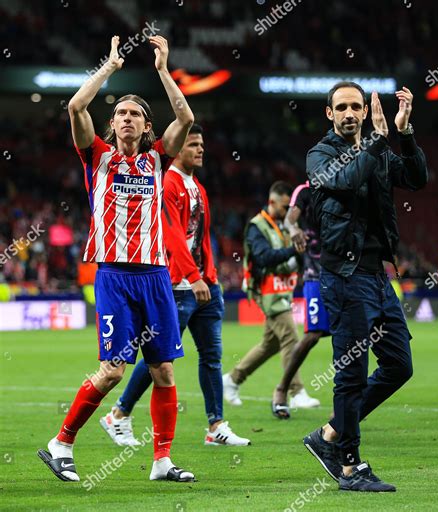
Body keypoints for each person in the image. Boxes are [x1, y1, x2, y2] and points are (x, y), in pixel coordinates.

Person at [37, 35, 196, 483]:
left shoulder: (157, 160)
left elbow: (186, 116)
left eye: (136, 115)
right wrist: (109, 66)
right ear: (113, 123)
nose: (127, 119)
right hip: (113, 277)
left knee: (163, 369)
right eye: (121, 113)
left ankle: (162, 461)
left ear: (148, 128)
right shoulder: (97, 157)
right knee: (112, 370)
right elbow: (74, 108)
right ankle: (61, 442)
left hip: (156, 276)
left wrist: (164, 69)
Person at [303, 81, 428, 491]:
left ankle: (329, 435)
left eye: (356, 106)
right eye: (342, 107)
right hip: (343, 276)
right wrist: (376, 140)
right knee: (351, 374)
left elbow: (416, 178)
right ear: (329, 114)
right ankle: (350, 469)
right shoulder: (320, 156)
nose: (350, 113)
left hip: (376, 275)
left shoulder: (379, 151)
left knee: (399, 365)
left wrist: (405, 132)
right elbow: (346, 180)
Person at [100, 124, 250, 447]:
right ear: (178, 148)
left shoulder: (197, 185)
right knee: (159, 356)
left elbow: (201, 237)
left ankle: (216, 426)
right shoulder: (167, 182)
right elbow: (172, 235)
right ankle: (119, 413)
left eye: (202, 145)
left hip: (205, 284)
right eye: (194, 144)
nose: (200, 150)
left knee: (212, 357)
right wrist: (192, 276)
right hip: (179, 285)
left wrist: (208, 275)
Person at [223, 181, 320, 411]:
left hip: (281, 289)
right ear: (272, 201)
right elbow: (263, 257)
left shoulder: (285, 226)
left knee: (270, 344)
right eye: (284, 207)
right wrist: (293, 251)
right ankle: (296, 392)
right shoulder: (257, 227)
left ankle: (232, 379)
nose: (288, 212)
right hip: (266, 290)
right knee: (290, 337)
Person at [271, 181, 331, 418]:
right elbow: (289, 220)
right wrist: (294, 230)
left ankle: (345, 404)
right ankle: (282, 389)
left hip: (346, 272)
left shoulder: (348, 185)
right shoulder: (305, 191)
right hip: (315, 272)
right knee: (312, 335)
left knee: (350, 337)